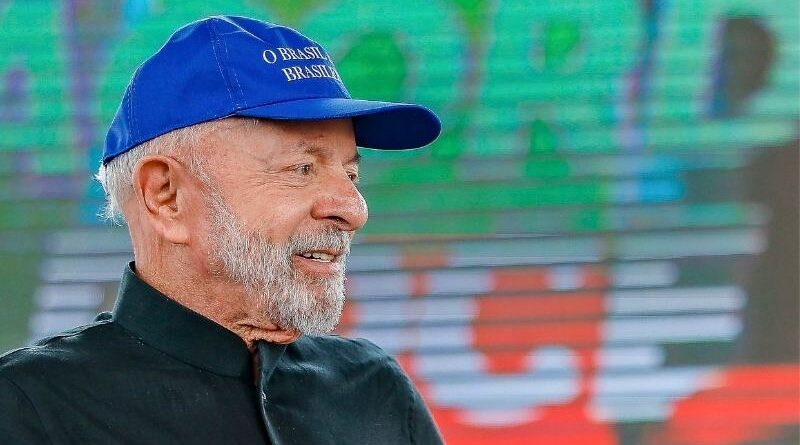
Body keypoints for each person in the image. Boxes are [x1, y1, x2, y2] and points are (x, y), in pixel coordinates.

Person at [0, 15, 444, 444]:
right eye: (302, 168)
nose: (354, 209)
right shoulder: (27, 409)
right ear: (166, 196)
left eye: (351, 174)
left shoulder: (375, 390)